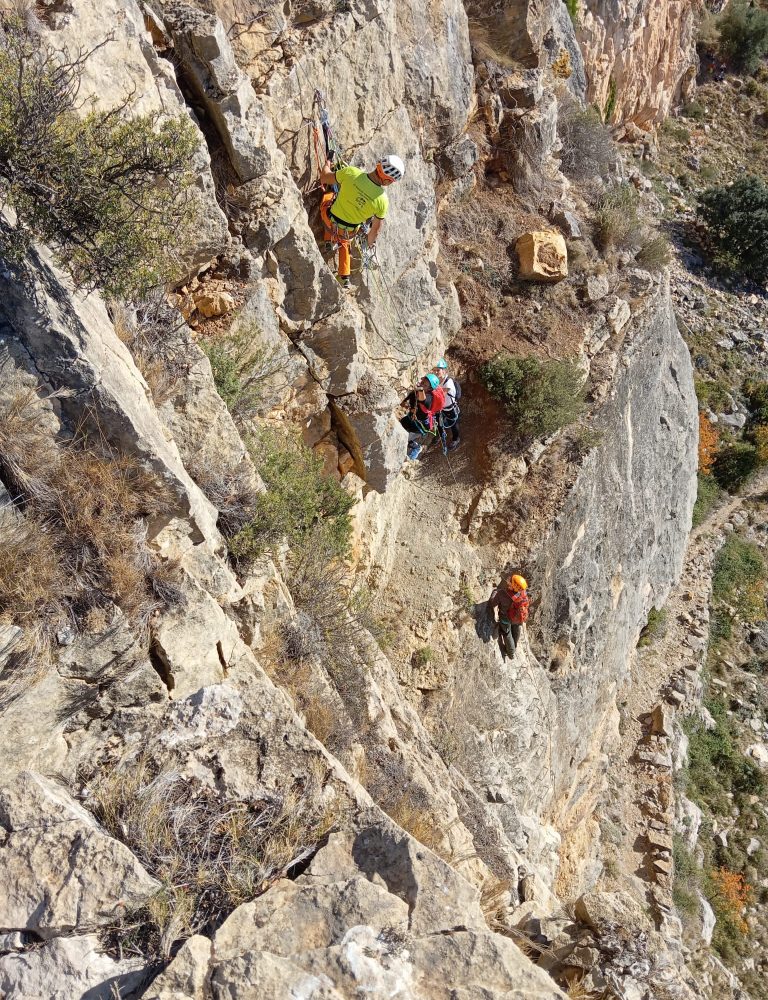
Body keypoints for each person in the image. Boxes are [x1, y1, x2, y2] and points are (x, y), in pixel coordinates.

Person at [318, 154, 405, 289]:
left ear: (378, 165)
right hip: (349, 232)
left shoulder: (351, 172)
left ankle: (329, 240)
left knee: (329, 196)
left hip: (329, 220)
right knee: (345, 242)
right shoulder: (382, 201)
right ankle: (343, 276)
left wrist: (328, 162)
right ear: (388, 181)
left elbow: (325, 177)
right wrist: (369, 246)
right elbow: (375, 231)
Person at [400, 373, 446, 460]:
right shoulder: (414, 393)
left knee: (404, 438)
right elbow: (403, 403)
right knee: (400, 427)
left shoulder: (429, 398)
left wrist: (420, 389)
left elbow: (423, 400)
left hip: (420, 425)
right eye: (422, 382)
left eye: (425, 385)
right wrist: (408, 406)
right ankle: (412, 443)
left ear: (429, 389)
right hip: (410, 418)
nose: (421, 384)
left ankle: (416, 448)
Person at [488, 575, 530, 659]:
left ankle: (511, 653)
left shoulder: (502, 594)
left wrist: (495, 592)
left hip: (506, 618)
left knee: (507, 633)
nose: (508, 579)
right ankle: (514, 646)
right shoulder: (522, 592)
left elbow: (493, 603)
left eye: (510, 580)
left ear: (513, 586)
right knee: (516, 629)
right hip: (518, 618)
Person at [433, 358, 461, 451]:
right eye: (435, 370)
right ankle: (440, 436)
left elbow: (440, 396)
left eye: (438, 370)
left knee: (453, 423)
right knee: (439, 422)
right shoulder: (437, 380)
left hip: (449, 408)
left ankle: (456, 439)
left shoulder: (448, 383)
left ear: (444, 370)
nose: (436, 372)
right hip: (441, 408)